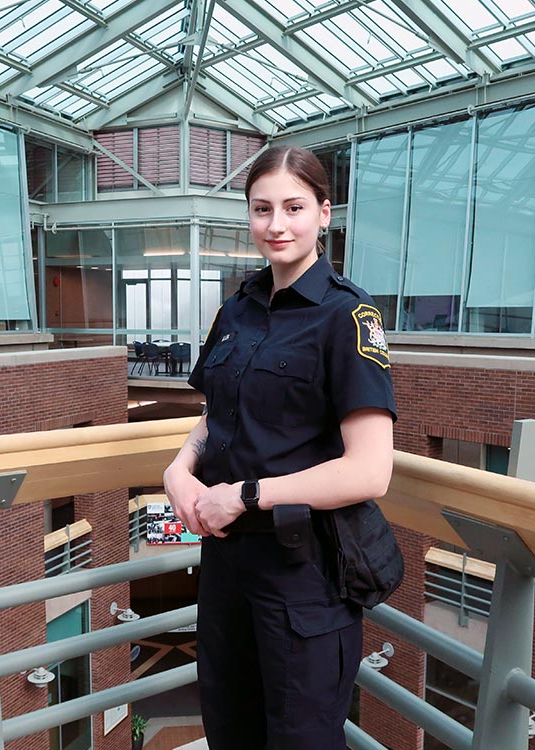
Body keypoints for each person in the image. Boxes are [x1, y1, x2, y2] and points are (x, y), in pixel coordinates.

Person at [162, 145, 397, 750]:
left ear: (324, 213)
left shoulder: (348, 317)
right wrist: (180, 466)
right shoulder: (236, 310)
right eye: (261, 209)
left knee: (301, 740)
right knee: (229, 729)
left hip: (304, 572)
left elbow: (370, 471)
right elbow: (218, 417)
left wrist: (243, 495)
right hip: (226, 564)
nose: (277, 225)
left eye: (294, 207)